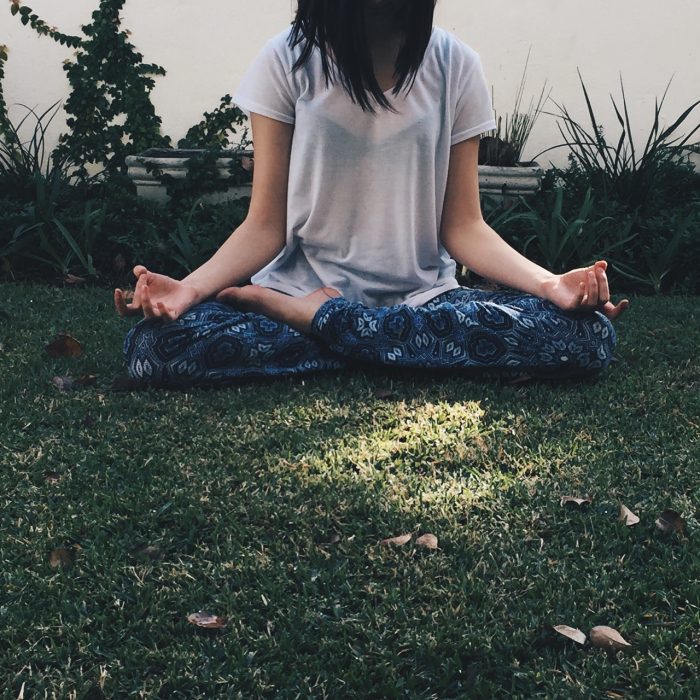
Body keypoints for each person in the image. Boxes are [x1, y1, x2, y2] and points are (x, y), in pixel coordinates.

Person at [115, 0, 628, 386]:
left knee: (586, 338)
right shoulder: (286, 60)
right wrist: (190, 288)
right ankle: (377, 341)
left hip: (421, 302)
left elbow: (463, 226)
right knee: (154, 348)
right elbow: (266, 224)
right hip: (300, 288)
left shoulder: (456, 66)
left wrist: (551, 286)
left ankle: (324, 324)